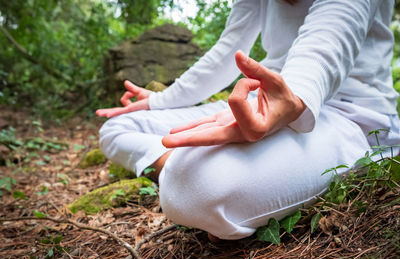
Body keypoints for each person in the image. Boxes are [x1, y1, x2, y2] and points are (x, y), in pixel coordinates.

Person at [96, 0, 400, 240]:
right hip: (262, 102)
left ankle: (182, 168)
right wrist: (159, 101)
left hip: (348, 113)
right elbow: (228, 50)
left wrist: (292, 98)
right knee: (116, 127)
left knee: (195, 189)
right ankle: (171, 161)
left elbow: (336, 22)